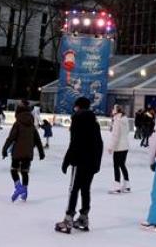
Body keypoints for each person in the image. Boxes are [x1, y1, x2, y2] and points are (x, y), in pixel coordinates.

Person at [55, 97, 103, 234]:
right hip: (91, 162)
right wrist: (96, 163)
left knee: (74, 189)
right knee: (85, 189)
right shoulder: (94, 122)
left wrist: (67, 160)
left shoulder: (78, 119)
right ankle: (83, 217)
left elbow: (75, 142)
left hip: (80, 161)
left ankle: (68, 219)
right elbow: (99, 143)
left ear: (78, 107)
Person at [1, 102, 45, 202]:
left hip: (17, 152)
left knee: (13, 170)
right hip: (28, 152)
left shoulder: (17, 124)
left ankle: (19, 187)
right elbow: (37, 140)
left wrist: (4, 149)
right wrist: (41, 152)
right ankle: (25, 191)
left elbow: (11, 138)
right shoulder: (32, 125)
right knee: (25, 172)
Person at [107, 104, 131, 194]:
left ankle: (117, 186)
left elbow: (116, 136)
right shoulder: (124, 119)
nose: (112, 110)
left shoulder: (117, 120)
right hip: (125, 146)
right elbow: (127, 131)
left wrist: (111, 147)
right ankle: (127, 185)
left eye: (113, 108)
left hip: (118, 147)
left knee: (116, 166)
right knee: (122, 165)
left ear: (116, 110)